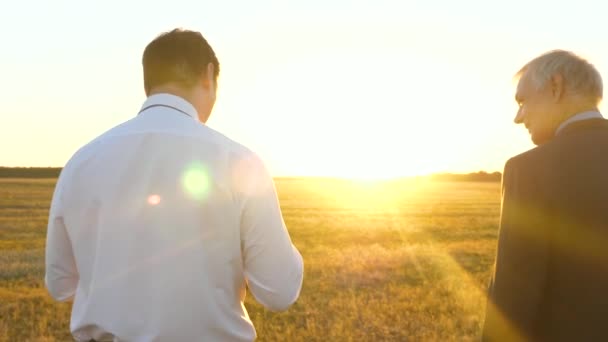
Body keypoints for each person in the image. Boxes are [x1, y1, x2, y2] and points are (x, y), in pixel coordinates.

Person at [45, 28, 304, 341]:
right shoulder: (238, 161)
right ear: (209, 74)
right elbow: (280, 291)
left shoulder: (81, 162)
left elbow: (60, 284)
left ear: (148, 83)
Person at [482, 50, 608, 341]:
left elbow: (513, 298)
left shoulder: (528, 170)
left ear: (556, 87)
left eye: (522, 101)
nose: (517, 117)